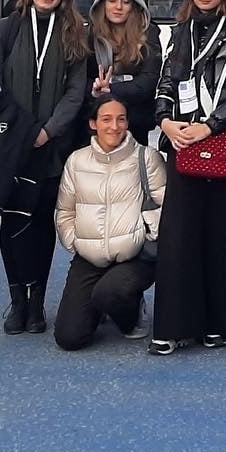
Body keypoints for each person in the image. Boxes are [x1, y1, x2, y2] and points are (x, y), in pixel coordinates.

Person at [148, 0, 226, 355]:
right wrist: (165, 122)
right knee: (178, 237)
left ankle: (216, 324)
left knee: (219, 236)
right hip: (183, 145)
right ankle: (172, 326)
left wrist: (210, 125)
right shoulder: (181, 33)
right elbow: (166, 80)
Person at [0, 0, 89, 335]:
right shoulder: (6, 29)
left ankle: (37, 302)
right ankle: (17, 299)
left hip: (52, 149)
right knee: (13, 223)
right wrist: (24, 133)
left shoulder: (72, 35)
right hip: (13, 146)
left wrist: (50, 130)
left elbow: (76, 91)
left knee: (42, 225)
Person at [53, 95, 167, 349]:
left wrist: (145, 232)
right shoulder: (77, 160)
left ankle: (130, 314)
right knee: (70, 338)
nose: (114, 126)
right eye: (106, 119)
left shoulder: (146, 158)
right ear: (93, 124)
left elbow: (164, 205)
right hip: (89, 256)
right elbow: (65, 210)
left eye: (121, 119)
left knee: (110, 292)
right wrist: (75, 241)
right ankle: (101, 305)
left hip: (135, 255)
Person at [87, 0, 162, 148]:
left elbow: (149, 81)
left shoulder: (149, 33)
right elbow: (80, 80)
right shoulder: (88, 36)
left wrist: (110, 88)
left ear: (134, 7)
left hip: (135, 123)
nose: (118, 7)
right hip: (97, 122)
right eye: (112, 0)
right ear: (102, 4)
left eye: (126, 2)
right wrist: (94, 90)